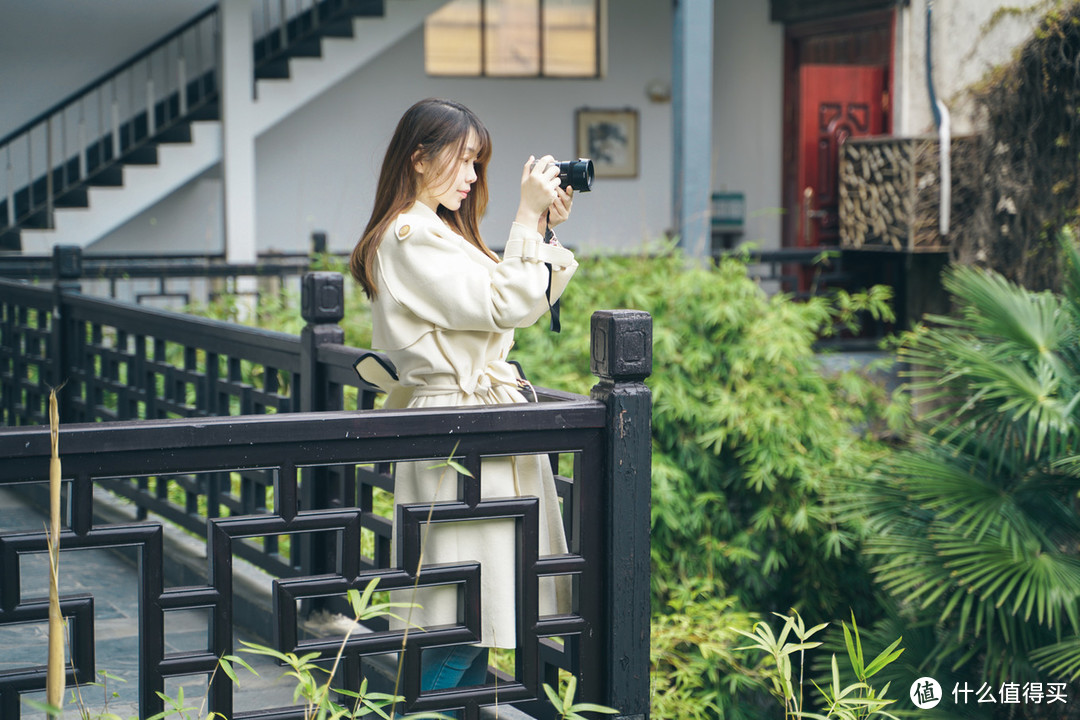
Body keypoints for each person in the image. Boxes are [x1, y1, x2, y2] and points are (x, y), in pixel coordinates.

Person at [348, 98, 577, 694]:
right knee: (461, 624)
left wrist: (541, 226)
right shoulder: (408, 234)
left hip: (477, 430)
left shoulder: (438, 230)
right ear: (420, 158)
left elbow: (511, 298)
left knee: (480, 625)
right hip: (460, 437)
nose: (474, 177)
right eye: (465, 160)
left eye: (479, 163)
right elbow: (507, 304)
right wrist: (525, 221)